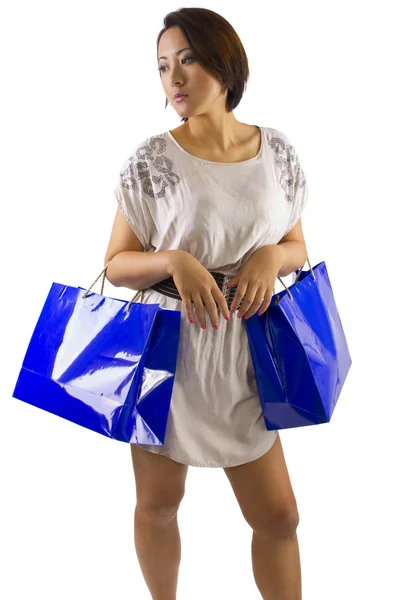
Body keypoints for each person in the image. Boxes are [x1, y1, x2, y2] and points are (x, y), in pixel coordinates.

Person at [104, 7, 309, 600]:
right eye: (163, 66)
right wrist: (173, 261)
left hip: (249, 356)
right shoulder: (150, 161)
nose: (174, 78)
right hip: (170, 356)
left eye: (188, 59)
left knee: (280, 517)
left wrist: (271, 256)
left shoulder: (278, 153)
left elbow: (298, 246)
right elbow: (116, 264)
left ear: (225, 62)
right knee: (160, 505)